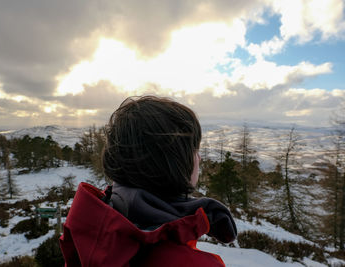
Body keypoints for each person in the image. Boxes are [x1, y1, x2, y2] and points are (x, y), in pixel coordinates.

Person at [60, 96, 237, 267]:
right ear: (172, 162)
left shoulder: (93, 233)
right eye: (194, 149)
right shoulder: (193, 263)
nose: (199, 158)